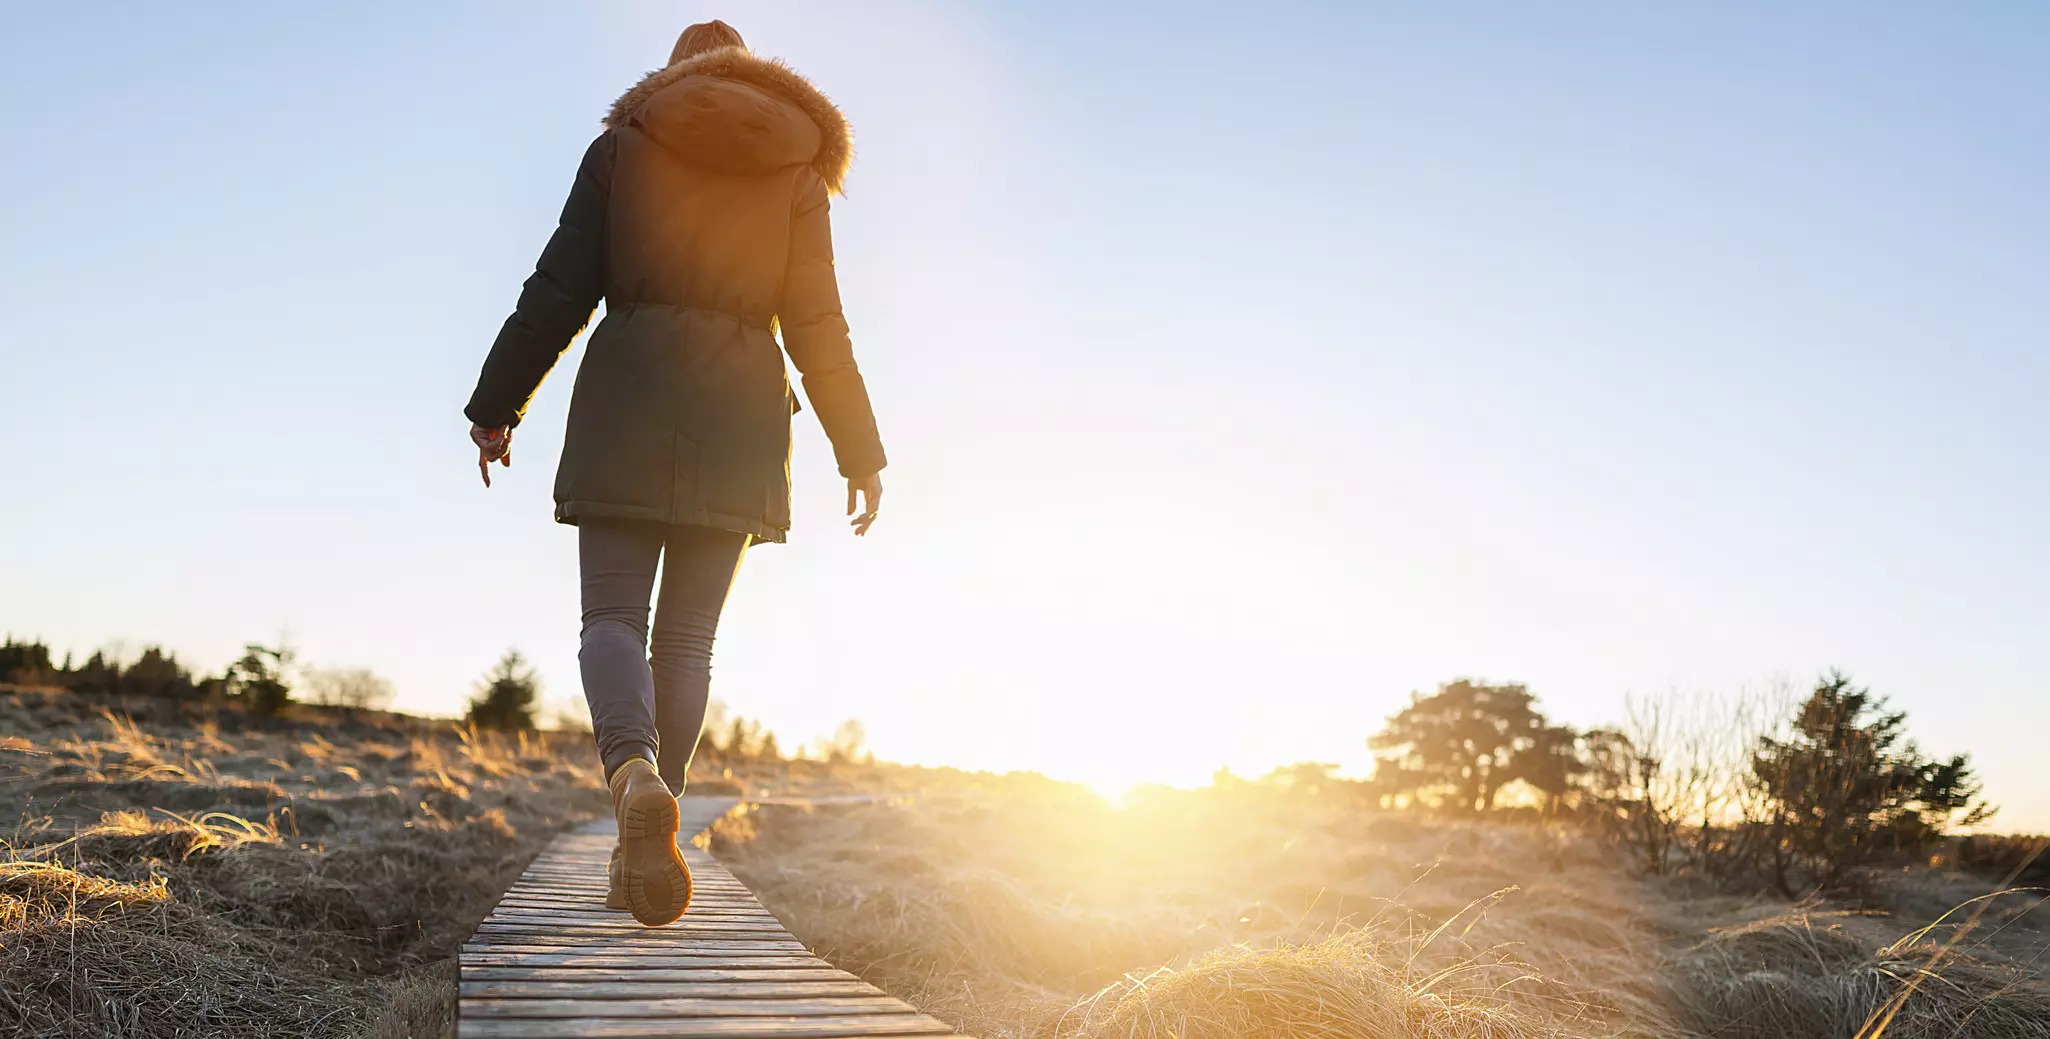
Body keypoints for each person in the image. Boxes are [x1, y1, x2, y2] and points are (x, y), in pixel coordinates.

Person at [462, 19, 886, 927]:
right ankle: (647, 831)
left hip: (630, 394)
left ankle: (631, 779)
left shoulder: (625, 145)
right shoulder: (799, 173)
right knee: (687, 640)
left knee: (612, 614)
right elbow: (818, 325)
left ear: (675, 73)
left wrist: (497, 403)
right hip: (739, 412)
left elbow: (558, 288)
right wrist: (861, 452)